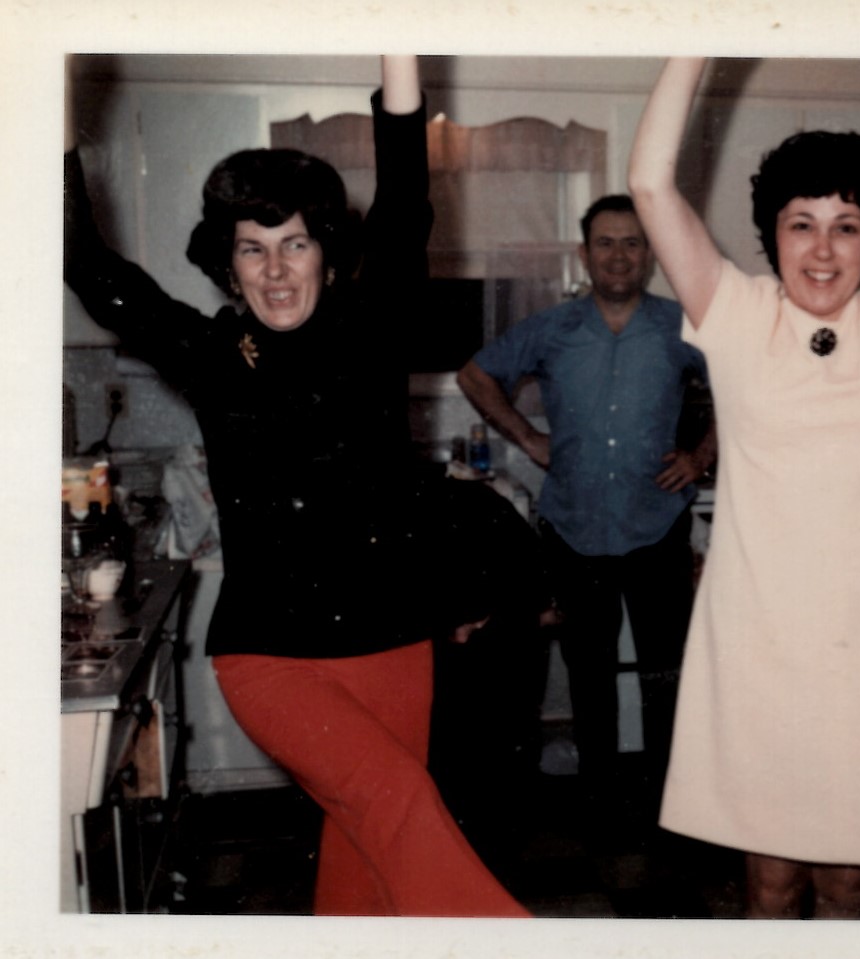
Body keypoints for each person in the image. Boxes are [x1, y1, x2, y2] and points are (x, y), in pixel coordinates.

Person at [64, 55, 529, 918]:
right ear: (229, 263)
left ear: (325, 253)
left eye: (294, 244)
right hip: (270, 655)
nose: (275, 270)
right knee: (399, 804)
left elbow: (405, 199)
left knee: (365, 854)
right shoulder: (211, 355)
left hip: (393, 643)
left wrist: (398, 48)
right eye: (253, 248)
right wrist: (49, 116)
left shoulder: (371, 325)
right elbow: (93, 270)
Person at [627, 58, 860, 919]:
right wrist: (695, 40)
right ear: (771, 232)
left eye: (847, 225)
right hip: (762, 640)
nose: (824, 249)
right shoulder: (732, 309)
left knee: (849, 883)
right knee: (770, 884)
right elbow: (649, 181)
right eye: (801, 224)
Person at [456, 194, 716, 811]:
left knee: (665, 673)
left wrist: (700, 456)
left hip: (657, 526)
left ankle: (669, 805)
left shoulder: (684, 325)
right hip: (574, 531)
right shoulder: (554, 328)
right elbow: (474, 376)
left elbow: (746, 384)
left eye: (631, 243)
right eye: (605, 243)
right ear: (584, 253)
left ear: (650, 254)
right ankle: (601, 803)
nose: (618, 256)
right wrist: (527, 438)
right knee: (589, 674)